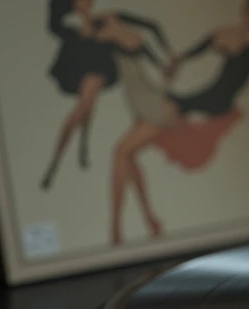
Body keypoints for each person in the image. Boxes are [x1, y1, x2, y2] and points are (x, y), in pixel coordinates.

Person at [108, 0, 249, 245]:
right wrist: (176, 64)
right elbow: (196, 50)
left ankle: (126, 227)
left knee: (124, 150)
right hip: (205, 96)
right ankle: (144, 221)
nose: (245, 13)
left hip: (214, 101)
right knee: (126, 152)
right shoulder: (226, 33)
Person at [42, 0, 173, 191]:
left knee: (85, 103)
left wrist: (163, 59)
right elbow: (60, 29)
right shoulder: (68, 24)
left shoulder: (108, 17)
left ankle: (70, 153)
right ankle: (64, 157)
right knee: (84, 105)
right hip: (77, 65)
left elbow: (144, 34)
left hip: (98, 67)